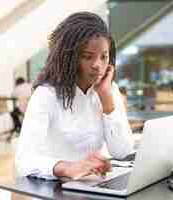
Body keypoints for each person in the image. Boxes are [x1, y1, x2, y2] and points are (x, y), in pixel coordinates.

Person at [15, 12, 133, 180]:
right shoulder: (47, 95)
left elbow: (122, 152)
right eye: (87, 57)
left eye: (104, 57)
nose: (97, 65)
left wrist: (106, 98)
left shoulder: (109, 89)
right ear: (69, 57)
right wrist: (67, 167)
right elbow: (23, 162)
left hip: (94, 188)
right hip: (55, 190)